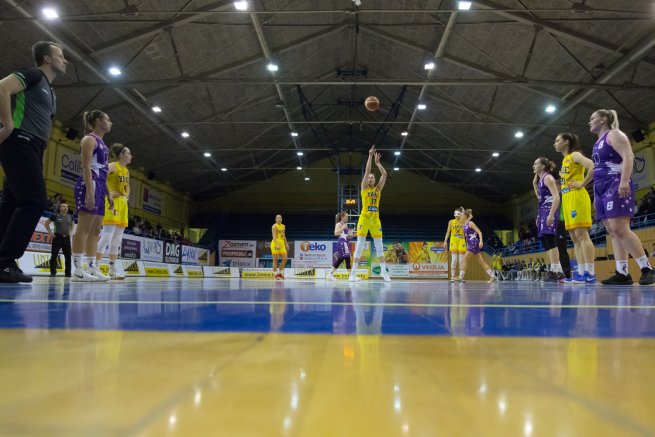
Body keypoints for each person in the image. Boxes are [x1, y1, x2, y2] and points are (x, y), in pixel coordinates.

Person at [0, 41, 68, 283]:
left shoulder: (50, 91)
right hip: (20, 141)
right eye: (60, 55)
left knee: (11, 204)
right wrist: (7, 125)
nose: (65, 59)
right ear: (47, 59)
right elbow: (2, 88)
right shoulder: (33, 74)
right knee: (34, 201)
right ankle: (6, 260)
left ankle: (3, 263)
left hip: (33, 147)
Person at [589, 109, 655, 285]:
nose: (590, 122)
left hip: (615, 182)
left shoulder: (614, 134)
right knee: (612, 232)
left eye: (592, 118)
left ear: (603, 119)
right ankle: (622, 272)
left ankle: (647, 268)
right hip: (600, 188)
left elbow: (628, 156)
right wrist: (596, 196)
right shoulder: (597, 143)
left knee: (620, 229)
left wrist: (624, 181)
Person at [71, 110, 112, 282]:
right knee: (84, 228)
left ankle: (92, 267)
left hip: (101, 186)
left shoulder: (103, 144)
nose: (110, 123)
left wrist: (108, 193)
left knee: (96, 231)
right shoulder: (89, 139)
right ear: (97, 121)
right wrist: (90, 191)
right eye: (107, 120)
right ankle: (78, 270)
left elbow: (104, 170)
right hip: (91, 183)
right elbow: (86, 167)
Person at [554, 132, 595, 283]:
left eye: (557, 140)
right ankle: (581, 272)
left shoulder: (575, 155)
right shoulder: (565, 160)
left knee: (582, 235)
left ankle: (590, 273)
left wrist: (582, 183)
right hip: (567, 198)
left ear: (566, 141)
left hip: (577, 196)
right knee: (574, 238)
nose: (555, 144)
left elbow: (592, 166)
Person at [349, 145, 391, 282]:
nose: (371, 179)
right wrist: (370, 156)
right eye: (369, 178)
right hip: (364, 218)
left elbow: (384, 175)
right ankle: (353, 274)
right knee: (360, 245)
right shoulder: (363, 188)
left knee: (379, 246)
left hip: (375, 220)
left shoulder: (378, 189)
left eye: (373, 178)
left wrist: (378, 163)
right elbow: (367, 170)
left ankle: (383, 272)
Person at [96, 143, 132, 280]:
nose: (131, 156)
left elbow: (127, 186)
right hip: (112, 202)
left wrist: (127, 196)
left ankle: (112, 270)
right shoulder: (112, 166)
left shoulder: (126, 171)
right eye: (128, 153)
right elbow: (100, 176)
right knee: (107, 236)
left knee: (117, 239)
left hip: (123, 204)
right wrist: (109, 192)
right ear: (122, 155)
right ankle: (95, 267)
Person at [533, 157, 565, 282]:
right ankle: (558, 271)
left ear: (543, 166)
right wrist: (538, 216)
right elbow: (540, 198)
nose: (533, 166)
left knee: (550, 240)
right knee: (545, 242)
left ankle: (556, 271)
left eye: (536, 163)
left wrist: (551, 215)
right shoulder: (541, 180)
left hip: (549, 210)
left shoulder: (548, 178)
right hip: (543, 211)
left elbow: (557, 197)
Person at [456, 209, 496, 283]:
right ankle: (492, 276)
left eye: (461, 215)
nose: (460, 216)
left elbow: (479, 232)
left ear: (465, 216)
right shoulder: (464, 225)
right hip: (470, 243)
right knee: (481, 262)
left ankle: (461, 277)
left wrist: (481, 241)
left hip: (474, 242)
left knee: (464, 259)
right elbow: (467, 237)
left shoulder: (470, 223)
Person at [44, 200, 73, 277]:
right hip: (57, 237)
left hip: (67, 238)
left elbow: (72, 224)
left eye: (66, 207)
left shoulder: (70, 216)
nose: (65, 208)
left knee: (68, 256)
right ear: (60, 207)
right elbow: (46, 223)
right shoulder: (55, 216)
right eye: (63, 206)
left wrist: (71, 232)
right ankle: (53, 272)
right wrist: (50, 232)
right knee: (54, 255)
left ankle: (68, 273)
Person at [328, 211, 357, 281]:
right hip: (342, 243)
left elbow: (349, 236)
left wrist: (355, 234)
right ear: (342, 217)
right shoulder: (339, 224)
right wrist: (342, 228)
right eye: (346, 216)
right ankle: (351, 276)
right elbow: (335, 233)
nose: (347, 218)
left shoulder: (345, 225)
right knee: (347, 258)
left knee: (341, 259)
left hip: (345, 243)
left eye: (347, 217)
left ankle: (330, 274)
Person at [443, 207, 465, 282]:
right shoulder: (451, 222)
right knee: (454, 259)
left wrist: (463, 211)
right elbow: (448, 232)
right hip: (453, 240)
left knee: (461, 260)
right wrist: (445, 241)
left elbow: (467, 217)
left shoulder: (464, 221)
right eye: (455, 213)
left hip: (462, 240)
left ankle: (460, 277)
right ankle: (453, 276)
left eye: (458, 214)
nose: (456, 215)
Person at [271, 214, 288, 280]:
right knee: (275, 260)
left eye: (280, 217)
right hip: (275, 243)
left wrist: (286, 244)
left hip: (282, 244)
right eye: (277, 218)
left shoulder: (283, 226)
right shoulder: (274, 226)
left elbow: (283, 236)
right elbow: (274, 236)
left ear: (281, 219)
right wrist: (277, 244)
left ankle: (279, 273)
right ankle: (275, 274)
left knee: (285, 259)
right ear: (275, 219)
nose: (279, 219)